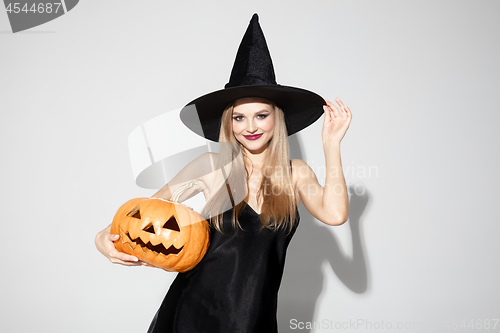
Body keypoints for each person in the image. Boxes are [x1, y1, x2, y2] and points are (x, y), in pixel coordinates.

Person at [95, 14, 351, 332]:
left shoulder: (295, 174)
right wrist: (102, 237)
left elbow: (336, 213)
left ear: (277, 119)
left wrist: (331, 144)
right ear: (228, 123)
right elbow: (145, 211)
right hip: (189, 314)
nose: (251, 127)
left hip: (252, 320)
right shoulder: (211, 167)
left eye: (261, 115)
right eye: (239, 118)